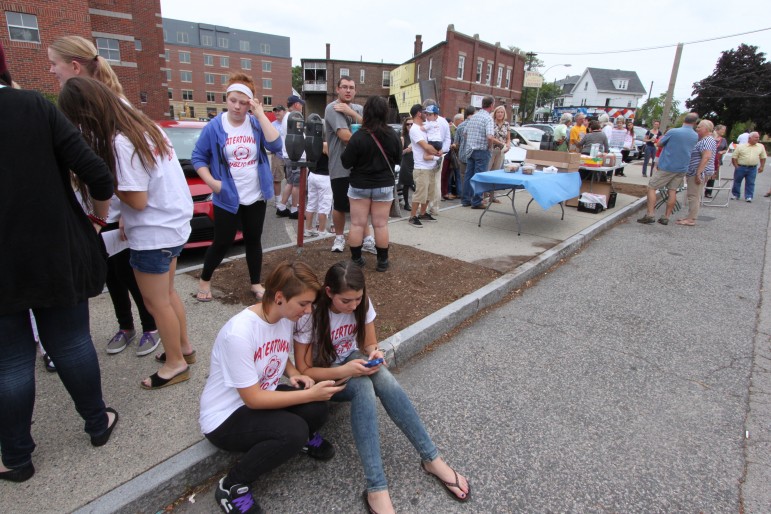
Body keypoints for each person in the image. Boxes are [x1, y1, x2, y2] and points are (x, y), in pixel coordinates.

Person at [1, 45, 118, 483]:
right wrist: (96, 219)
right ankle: (96, 423)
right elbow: (99, 176)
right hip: (54, 254)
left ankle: (15, 457)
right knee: (70, 343)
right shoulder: (33, 105)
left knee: (10, 362)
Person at [294, 262, 470, 514]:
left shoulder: (361, 302)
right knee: (363, 388)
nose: (353, 305)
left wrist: (373, 352)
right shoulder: (310, 313)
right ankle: (376, 488)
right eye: (346, 301)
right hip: (325, 377)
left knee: (384, 377)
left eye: (357, 298)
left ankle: (432, 459)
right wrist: (347, 370)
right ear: (329, 292)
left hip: (351, 361)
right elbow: (304, 370)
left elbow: (369, 342)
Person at [59, 77, 194, 390]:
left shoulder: (121, 143)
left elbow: (136, 199)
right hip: (172, 227)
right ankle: (183, 347)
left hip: (153, 233)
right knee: (168, 294)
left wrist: (101, 177)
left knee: (155, 302)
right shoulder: (146, 128)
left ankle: (176, 362)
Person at [48, 35, 160, 357]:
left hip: (115, 208)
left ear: (74, 65)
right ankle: (125, 325)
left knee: (129, 273)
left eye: (54, 64)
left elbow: (131, 165)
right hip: (94, 210)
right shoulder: (75, 104)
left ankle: (149, 326)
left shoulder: (111, 105)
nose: (52, 70)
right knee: (109, 274)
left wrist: (126, 211)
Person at [200, 262, 342, 514]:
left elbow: (276, 351)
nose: (308, 311)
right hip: (225, 417)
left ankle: (297, 440)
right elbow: (253, 399)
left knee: (317, 408)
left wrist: (294, 373)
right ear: (279, 297)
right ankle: (232, 486)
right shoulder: (239, 333)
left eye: (310, 304)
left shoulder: (283, 317)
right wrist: (308, 392)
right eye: (303, 304)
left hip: (259, 396)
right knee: (295, 429)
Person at [192, 74, 282, 303]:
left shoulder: (254, 123)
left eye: (243, 102)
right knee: (222, 240)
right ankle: (205, 279)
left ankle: (255, 282)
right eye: (233, 100)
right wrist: (213, 183)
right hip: (227, 195)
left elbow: (276, 144)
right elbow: (198, 157)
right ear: (227, 98)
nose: (237, 106)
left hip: (256, 194)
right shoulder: (215, 126)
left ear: (250, 103)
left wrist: (260, 114)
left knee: (254, 239)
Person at [341, 96, 401, 272]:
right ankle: (382, 262)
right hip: (383, 185)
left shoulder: (358, 136)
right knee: (381, 224)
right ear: (385, 113)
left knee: (357, 224)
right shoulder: (392, 135)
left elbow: (346, 162)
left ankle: (356, 259)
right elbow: (398, 159)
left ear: (366, 112)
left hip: (359, 184)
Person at [325, 77, 375, 254]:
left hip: (360, 167)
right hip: (340, 167)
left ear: (355, 91)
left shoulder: (358, 109)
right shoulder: (332, 108)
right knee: (339, 205)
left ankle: (367, 239)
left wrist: (353, 114)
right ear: (337, 89)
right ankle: (339, 238)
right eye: (344, 87)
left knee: (363, 205)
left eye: (351, 88)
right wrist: (366, 140)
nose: (348, 90)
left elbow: (373, 128)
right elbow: (345, 136)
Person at [638, 112, 699, 225]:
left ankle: (650, 214)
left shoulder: (673, 132)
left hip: (667, 165)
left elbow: (660, 143)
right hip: (682, 167)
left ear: (684, 120)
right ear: (695, 123)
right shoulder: (695, 135)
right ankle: (666, 216)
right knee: (672, 191)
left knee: (652, 187)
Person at [407, 104, 442, 226]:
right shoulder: (414, 129)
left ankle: (422, 213)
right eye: (424, 112)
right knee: (420, 193)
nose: (426, 114)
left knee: (429, 193)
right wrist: (437, 152)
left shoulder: (424, 127)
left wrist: (437, 151)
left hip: (431, 166)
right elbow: (425, 146)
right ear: (418, 113)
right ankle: (412, 216)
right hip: (421, 167)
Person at [676, 120, 715, 226]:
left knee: (694, 195)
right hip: (695, 171)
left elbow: (706, 157)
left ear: (706, 129)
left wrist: (698, 173)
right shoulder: (704, 140)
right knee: (693, 195)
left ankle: (691, 219)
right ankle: (690, 216)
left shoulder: (707, 140)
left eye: (699, 127)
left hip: (697, 172)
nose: (696, 129)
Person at [462, 95, 498, 209]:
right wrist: (489, 147)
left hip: (471, 149)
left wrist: (471, 142)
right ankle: (477, 201)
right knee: (479, 176)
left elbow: (465, 133)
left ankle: (466, 199)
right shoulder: (488, 118)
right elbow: (490, 136)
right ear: (491, 105)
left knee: (469, 175)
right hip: (482, 150)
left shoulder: (474, 117)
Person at [276, 95, 305, 219]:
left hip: (288, 155)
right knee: (297, 184)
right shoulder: (294, 117)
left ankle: (282, 207)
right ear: (296, 104)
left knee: (290, 182)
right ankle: (294, 209)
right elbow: (298, 136)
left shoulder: (286, 117)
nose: (302, 106)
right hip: (296, 156)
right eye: (301, 104)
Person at [304, 142, 332, 237]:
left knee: (311, 202)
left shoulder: (310, 141)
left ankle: (308, 228)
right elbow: (332, 158)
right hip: (324, 176)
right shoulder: (325, 144)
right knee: (324, 204)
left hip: (312, 174)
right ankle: (322, 230)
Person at [486, 105, 511, 204]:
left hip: (501, 152)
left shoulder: (506, 124)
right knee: (487, 171)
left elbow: (508, 137)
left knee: (496, 172)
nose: (500, 114)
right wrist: (501, 144)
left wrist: (508, 145)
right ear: (495, 113)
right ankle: (483, 194)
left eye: (502, 112)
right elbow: (490, 137)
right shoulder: (491, 123)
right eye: (498, 112)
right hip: (491, 149)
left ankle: (493, 196)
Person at [732, 132, 767, 202]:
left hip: (752, 168)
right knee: (737, 181)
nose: (757, 139)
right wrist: (736, 166)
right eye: (756, 137)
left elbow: (763, 157)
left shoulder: (760, 146)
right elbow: (734, 157)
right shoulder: (741, 146)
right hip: (741, 167)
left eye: (758, 137)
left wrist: (762, 166)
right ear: (750, 138)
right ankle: (736, 194)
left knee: (750, 182)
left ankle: (749, 196)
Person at [704, 124, 728, 198]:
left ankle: (708, 192)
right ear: (717, 130)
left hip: (717, 160)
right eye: (722, 129)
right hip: (707, 159)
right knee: (704, 175)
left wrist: (723, 152)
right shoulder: (709, 138)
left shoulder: (723, 140)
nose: (724, 131)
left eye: (724, 130)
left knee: (712, 176)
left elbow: (725, 149)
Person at [269, 105, 286, 200]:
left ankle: (290, 199)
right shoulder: (272, 125)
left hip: (289, 155)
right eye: (275, 111)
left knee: (290, 180)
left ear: (284, 112)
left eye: (279, 111)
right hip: (277, 155)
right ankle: (278, 201)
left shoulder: (288, 123)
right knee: (277, 179)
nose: (277, 113)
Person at [399, 117, 415, 210]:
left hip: (415, 162)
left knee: (415, 184)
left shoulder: (416, 135)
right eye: (407, 124)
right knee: (406, 184)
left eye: (411, 124)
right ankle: (406, 204)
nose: (409, 126)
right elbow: (399, 153)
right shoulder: (403, 137)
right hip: (406, 162)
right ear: (405, 126)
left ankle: (417, 203)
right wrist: (407, 150)